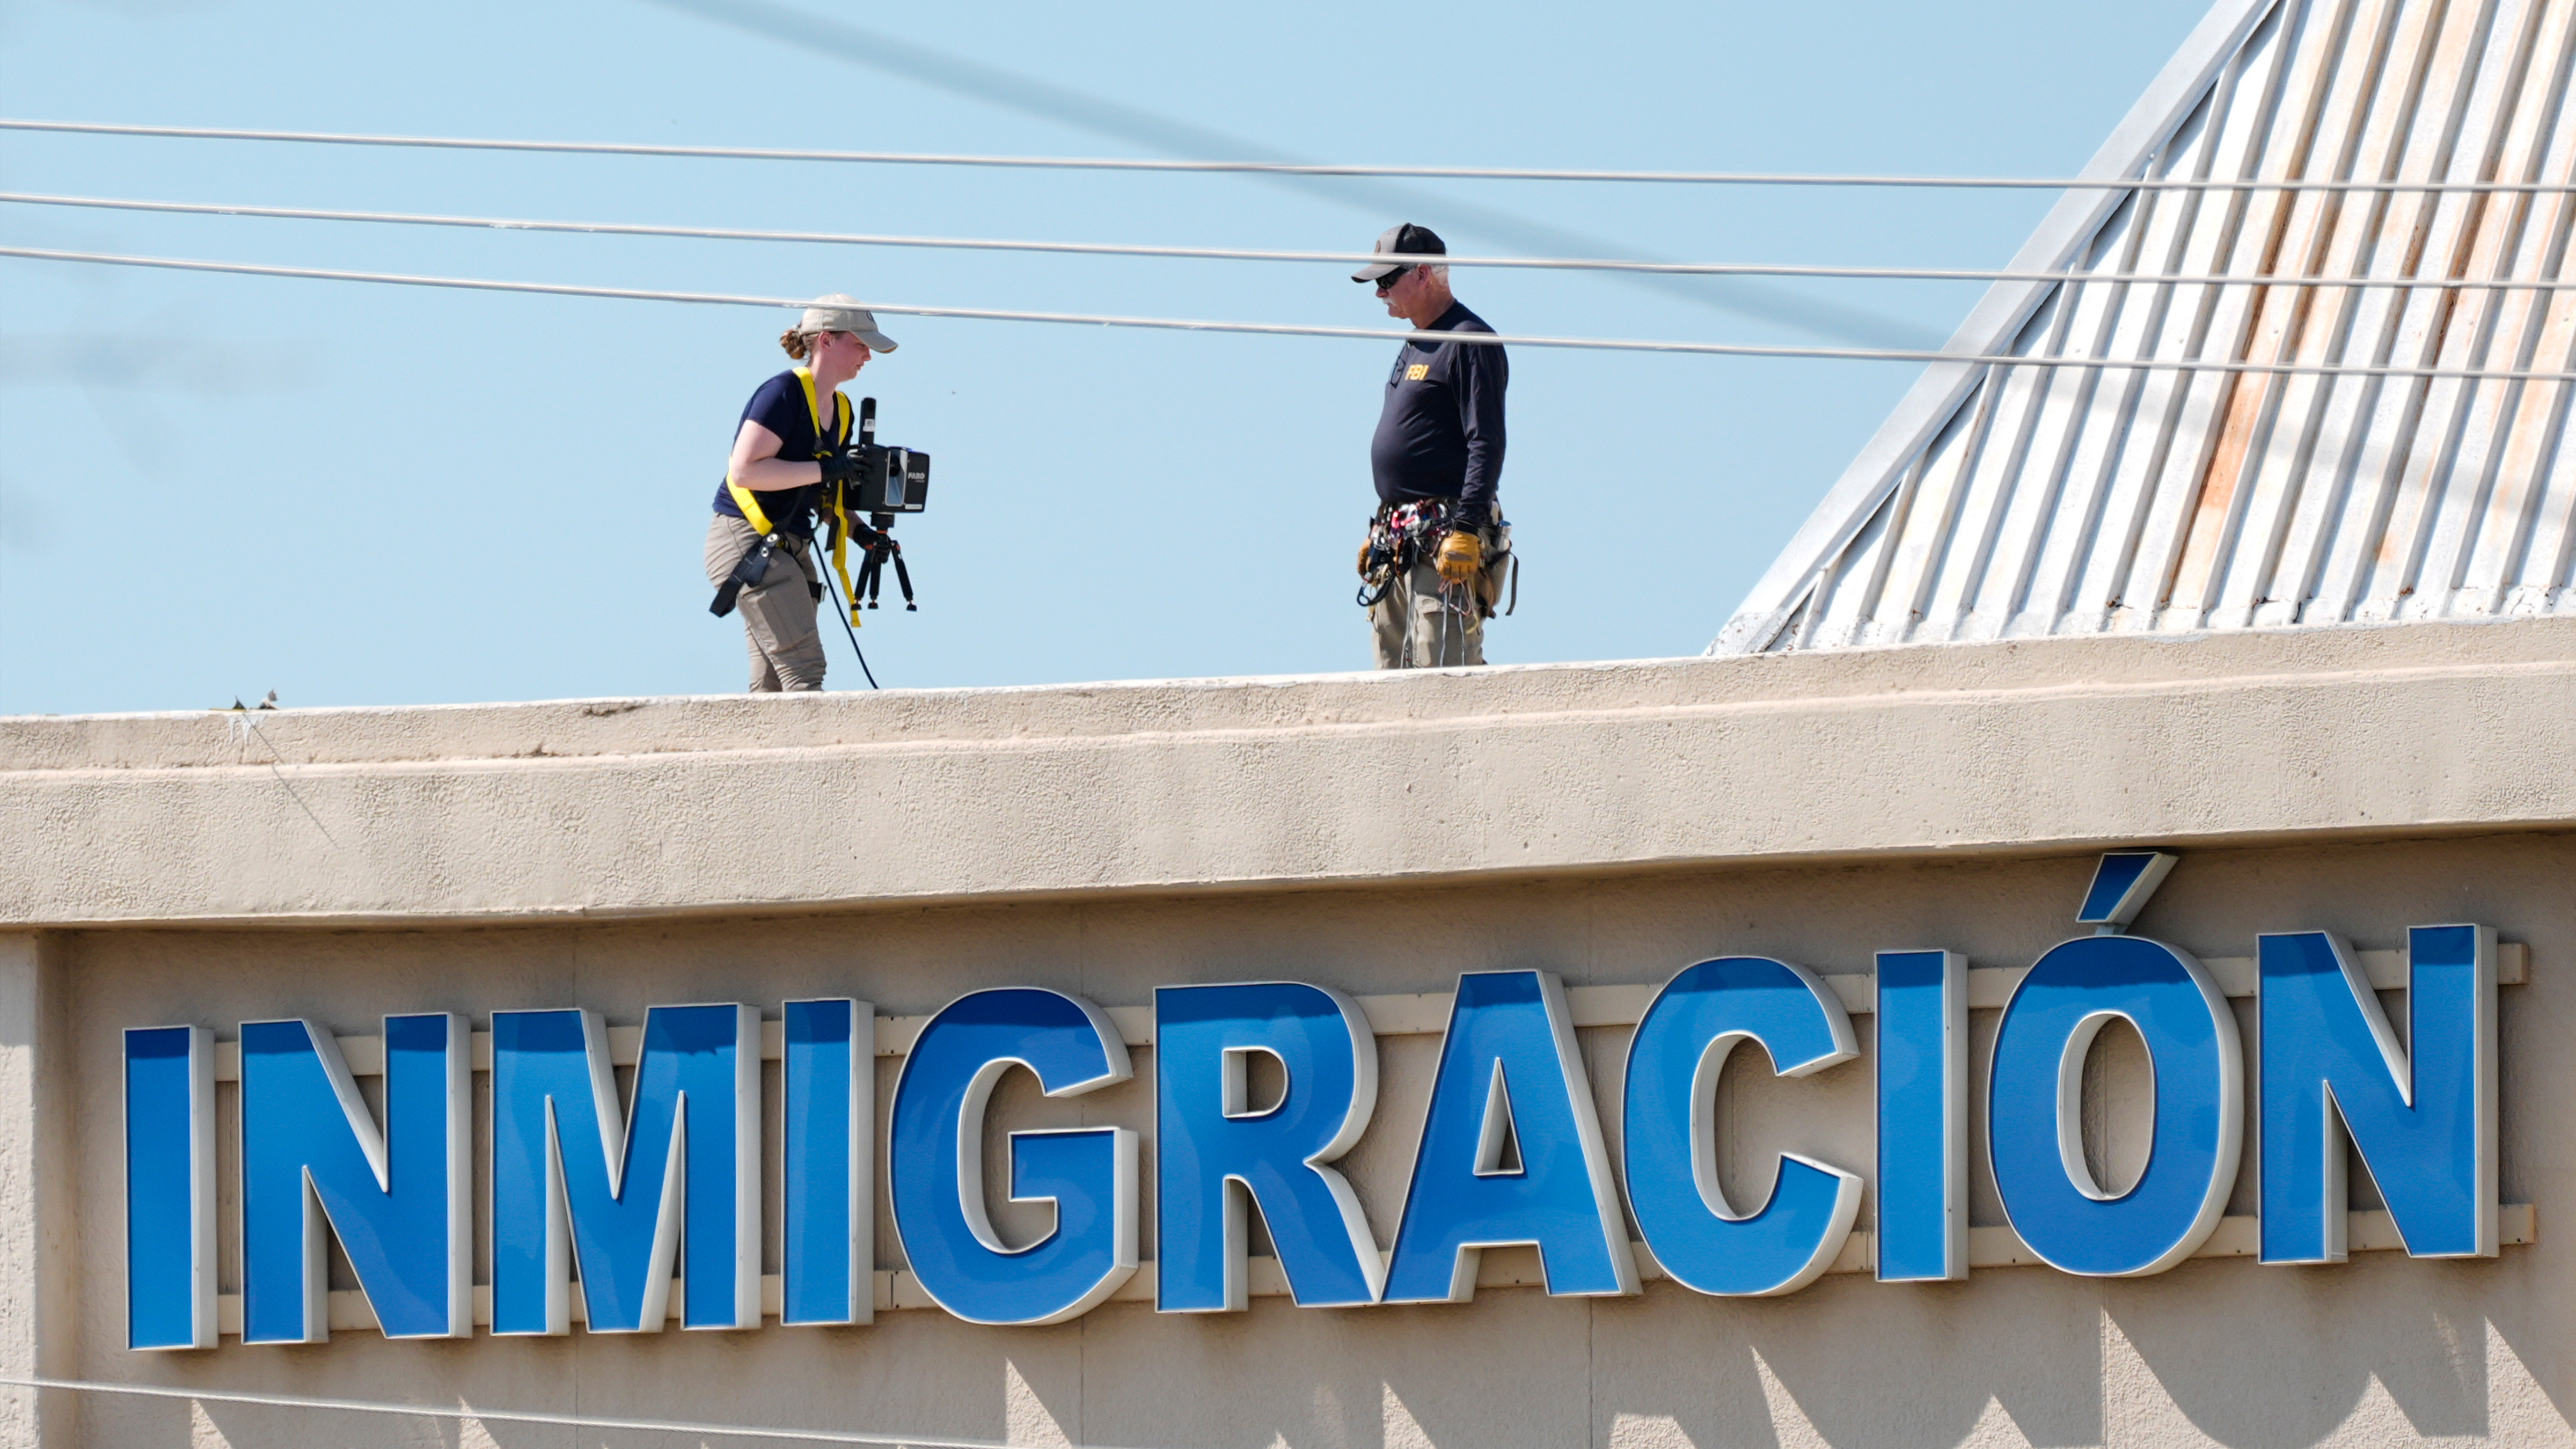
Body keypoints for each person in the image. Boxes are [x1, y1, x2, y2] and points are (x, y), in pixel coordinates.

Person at [705, 295, 898, 692]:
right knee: (804, 668)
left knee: (773, 683)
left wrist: (859, 533)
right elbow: (745, 471)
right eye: (860, 345)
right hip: (749, 540)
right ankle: (819, 755)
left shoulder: (841, 410)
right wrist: (826, 468)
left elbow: (819, 497)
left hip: (787, 545)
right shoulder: (783, 394)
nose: (868, 356)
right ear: (826, 340)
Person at [1352, 223, 1510, 669]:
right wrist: (1382, 527)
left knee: (1443, 669)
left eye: (1387, 280)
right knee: (1392, 676)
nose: (1379, 292)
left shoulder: (1468, 341)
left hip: (1443, 537)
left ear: (1423, 274)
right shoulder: (1418, 344)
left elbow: (1487, 441)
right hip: (1402, 539)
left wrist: (1467, 527)